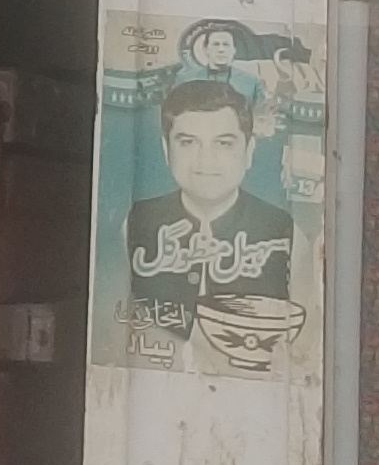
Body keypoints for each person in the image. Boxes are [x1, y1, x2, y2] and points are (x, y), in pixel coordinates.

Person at [125, 75, 294, 345]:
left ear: (249, 150)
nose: (206, 160)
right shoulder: (134, 222)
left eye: (223, 143)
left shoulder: (284, 230)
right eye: (188, 142)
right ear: (166, 150)